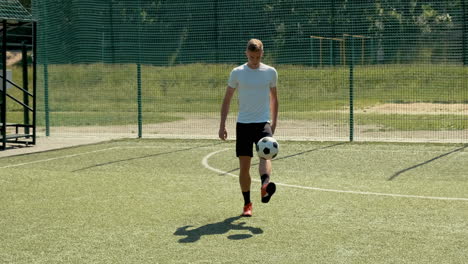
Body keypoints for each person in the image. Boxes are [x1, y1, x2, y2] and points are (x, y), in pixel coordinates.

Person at [218, 39, 279, 217]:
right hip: (243, 124)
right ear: (246, 53)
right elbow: (227, 98)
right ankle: (247, 204)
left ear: (262, 54)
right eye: (252, 56)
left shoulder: (270, 72)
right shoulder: (237, 73)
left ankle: (265, 186)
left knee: (265, 155)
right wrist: (222, 124)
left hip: (262, 122)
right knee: (244, 167)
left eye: (258, 57)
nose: (255, 60)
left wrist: (273, 123)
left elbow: (274, 98)